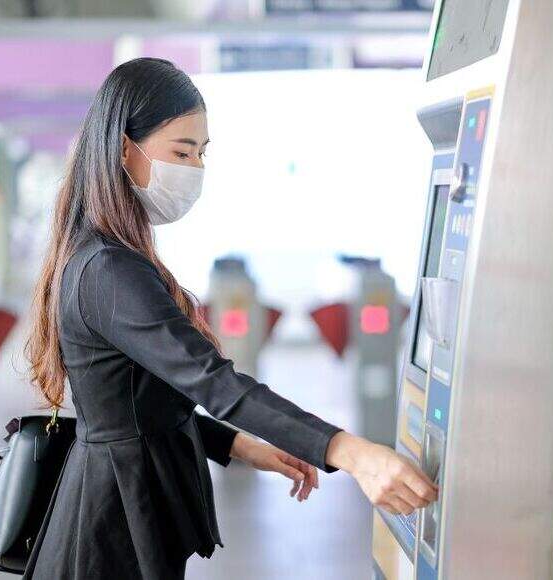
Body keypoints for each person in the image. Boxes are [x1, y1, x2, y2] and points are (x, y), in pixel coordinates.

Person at [22, 57, 437, 579]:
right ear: (124, 148)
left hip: (125, 511)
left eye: (201, 153)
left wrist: (240, 444)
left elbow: (139, 406)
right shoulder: (109, 268)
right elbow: (213, 382)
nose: (194, 168)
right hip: (108, 532)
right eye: (181, 151)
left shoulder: (109, 255)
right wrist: (350, 452)